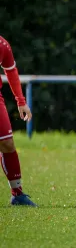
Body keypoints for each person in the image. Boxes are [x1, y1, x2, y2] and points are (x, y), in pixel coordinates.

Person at [0, 35, 35, 206]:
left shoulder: (2, 45)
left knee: (7, 143)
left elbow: (11, 70)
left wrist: (21, 101)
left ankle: (17, 194)